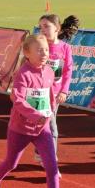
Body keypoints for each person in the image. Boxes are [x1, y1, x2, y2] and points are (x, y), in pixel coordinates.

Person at [0, 34, 74, 188]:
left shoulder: (49, 71)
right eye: (39, 50)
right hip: (20, 128)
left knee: (52, 167)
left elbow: (49, 94)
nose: (44, 54)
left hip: (43, 129)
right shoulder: (22, 74)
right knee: (11, 163)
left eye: (46, 50)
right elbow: (18, 100)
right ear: (27, 53)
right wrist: (35, 115)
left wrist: (47, 115)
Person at [34, 14, 79, 171]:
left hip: (55, 94)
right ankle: (49, 158)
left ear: (57, 28)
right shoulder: (38, 45)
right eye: (41, 27)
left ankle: (42, 153)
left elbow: (67, 71)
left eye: (46, 26)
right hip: (39, 94)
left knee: (46, 125)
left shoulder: (65, 48)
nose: (43, 30)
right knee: (50, 127)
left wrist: (64, 91)